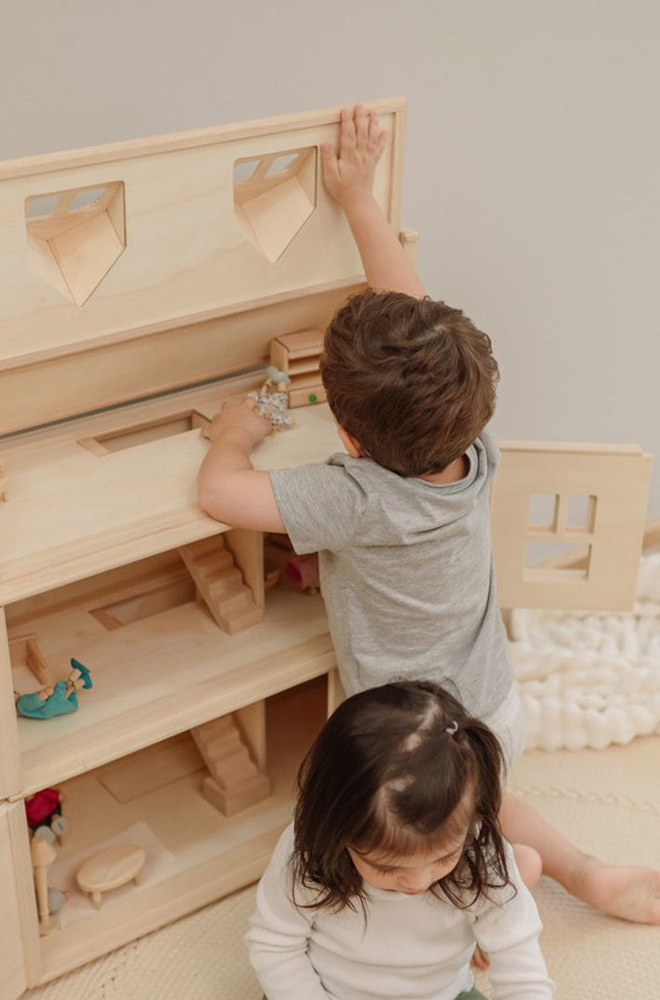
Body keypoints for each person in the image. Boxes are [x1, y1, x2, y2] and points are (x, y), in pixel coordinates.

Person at [197, 103, 660, 925]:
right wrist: (360, 199)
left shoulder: (354, 496)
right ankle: (544, 860)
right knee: (484, 796)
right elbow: (409, 300)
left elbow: (219, 496)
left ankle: (530, 874)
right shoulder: (475, 446)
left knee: (439, 829)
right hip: (495, 706)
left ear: (343, 434)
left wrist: (233, 435)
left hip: (421, 745)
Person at [246, 681, 554, 1000]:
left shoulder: (481, 856)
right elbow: (275, 945)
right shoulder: (309, 855)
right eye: (386, 866)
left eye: (444, 857)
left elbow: (522, 967)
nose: (417, 882)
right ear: (337, 832)